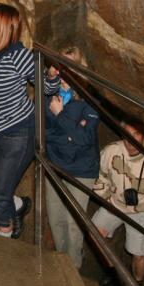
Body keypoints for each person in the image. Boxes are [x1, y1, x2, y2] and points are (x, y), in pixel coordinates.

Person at [0, 3, 59, 239]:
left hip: (17, 132)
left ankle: (5, 236)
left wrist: (51, 76)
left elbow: (46, 88)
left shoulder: (20, 56)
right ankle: (16, 205)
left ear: (2, 28)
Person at [93, 119, 144, 286]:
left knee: (139, 255)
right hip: (115, 204)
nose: (131, 141)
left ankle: (137, 284)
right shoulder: (111, 151)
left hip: (141, 211)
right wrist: (105, 198)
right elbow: (102, 177)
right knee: (94, 233)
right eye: (127, 135)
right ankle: (114, 272)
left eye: (136, 134)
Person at [44, 47, 100, 268]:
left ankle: (73, 267)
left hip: (82, 169)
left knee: (73, 222)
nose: (62, 70)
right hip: (55, 164)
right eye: (59, 64)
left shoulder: (88, 98)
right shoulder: (49, 92)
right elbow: (43, 131)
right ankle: (62, 265)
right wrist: (69, 134)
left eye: (68, 65)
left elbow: (84, 138)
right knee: (56, 219)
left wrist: (60, 115)